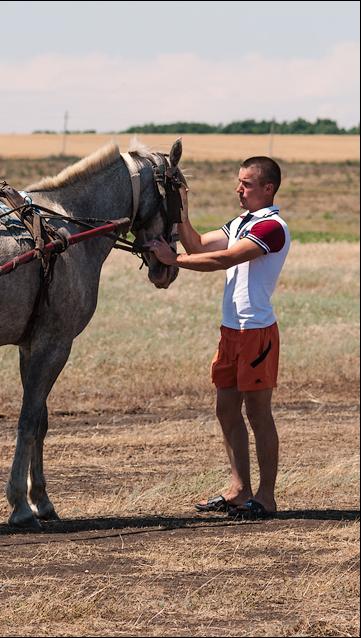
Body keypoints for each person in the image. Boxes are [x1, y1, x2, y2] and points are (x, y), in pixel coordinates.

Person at [146, 156, 289, 520]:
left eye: (246, 184)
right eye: (238, 182)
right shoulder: (241, 222)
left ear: (267, 188)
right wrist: (180, 207)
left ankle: (266, 497)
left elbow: (223, 260)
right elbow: (196, 246)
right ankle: (239, 490)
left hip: (257, 333)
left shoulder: (272, 227)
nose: (238, 189)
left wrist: (171, 260)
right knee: (226, 409)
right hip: (231, 331)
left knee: (259, 414)